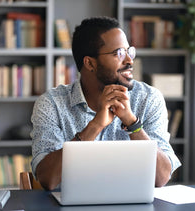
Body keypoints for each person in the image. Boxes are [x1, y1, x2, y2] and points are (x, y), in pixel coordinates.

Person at [31, 16, 181, 190]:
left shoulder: (149, 99)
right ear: (90, 63)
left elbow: (161, 177)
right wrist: (95, 126)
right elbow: (48, 179)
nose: (129, 61)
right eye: (119, 53)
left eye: (129, 52)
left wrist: (133, 124)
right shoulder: (52, 104)